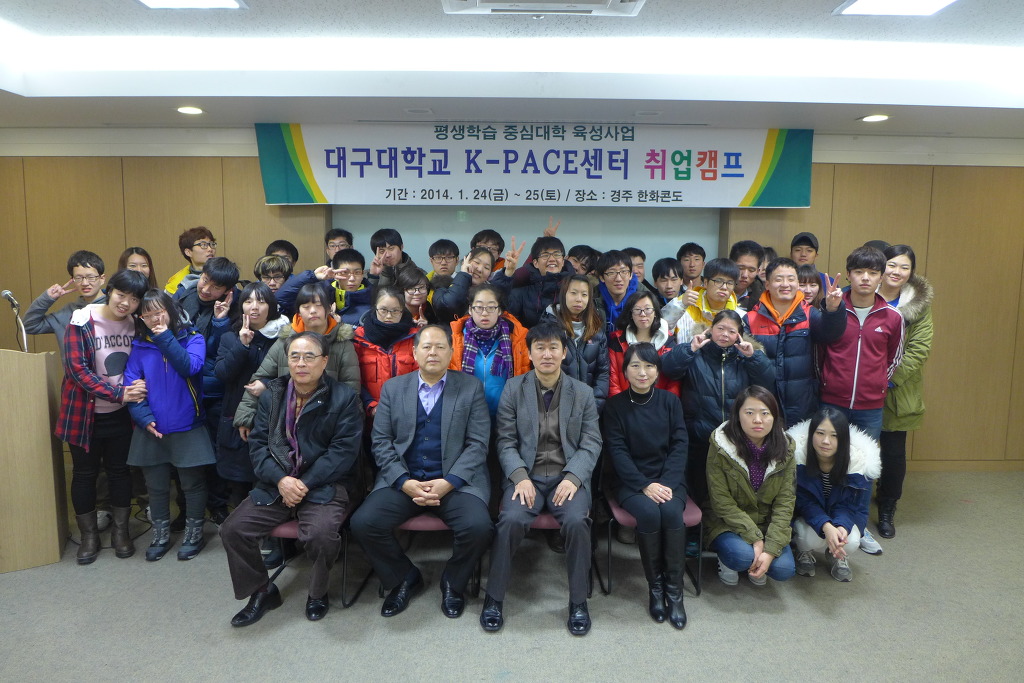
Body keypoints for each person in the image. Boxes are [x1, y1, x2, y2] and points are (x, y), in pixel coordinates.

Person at [350, 325, 494, 619]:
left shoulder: (470, 387)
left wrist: (449, 482)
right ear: (414, 352)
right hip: (405, 479)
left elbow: (478, 444)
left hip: (455, 482)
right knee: (364, 523)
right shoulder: (394, 388)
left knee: (480, 527)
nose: (433, 352)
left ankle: (453, 582)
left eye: (440, 347)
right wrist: (403, 482)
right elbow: (381, 441)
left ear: (451, 353)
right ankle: (404, 577)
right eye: (426, 347)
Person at [220, 331, 363, 626]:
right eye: (294, 357)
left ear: (324, 361)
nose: (301, 363)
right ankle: (262, 590)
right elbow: (258, 447)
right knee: (233, 529)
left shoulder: (344, 398)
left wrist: (304, 484)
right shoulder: (273, 395)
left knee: (320, 535)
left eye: (309, 357)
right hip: (278, 482)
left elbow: (342, 453)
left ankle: (317, 593)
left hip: (324, 483)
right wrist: (282, 481)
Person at [480, 322, 602, 636]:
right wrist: (519, 477)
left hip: (567, 477)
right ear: (530, 353)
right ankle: (494, 598)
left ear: (564, 353)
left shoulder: (583, 393)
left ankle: (578, 602)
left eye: (553, 348)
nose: (547, 354)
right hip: (527, 477)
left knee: (577, 523)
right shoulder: (513, 389)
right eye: (540, 348)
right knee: (509, 521)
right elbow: (505, 441)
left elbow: (591, 443)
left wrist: (573, 478)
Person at [55, 269, 149, 564]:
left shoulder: (136, 323)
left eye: (134, 299)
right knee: (84, 474)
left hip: (121, 415)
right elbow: (77, 370)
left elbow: (143, 361)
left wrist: (138, 387)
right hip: (83, 413)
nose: (126, 303)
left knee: (120, 471)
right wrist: (118, 393)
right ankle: (89, 536)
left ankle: (121, 531)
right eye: (121, 295)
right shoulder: (82, 319)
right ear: (109, 290)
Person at [818, 246, 905, 557]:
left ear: (881, 277)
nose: (865, 278)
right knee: (826, 463)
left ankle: (859, 526)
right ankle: (825, 524)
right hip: (832, 401)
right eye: (859, 272)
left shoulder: (892, 316)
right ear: (849, 274)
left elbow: (894, 358)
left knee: (864, 467)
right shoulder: (833, 307)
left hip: (870, 406)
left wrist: (878, 383)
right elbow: (819, 352)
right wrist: (827, 381)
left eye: (872, 272)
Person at [124, 289, 215, 562]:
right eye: (147, 315)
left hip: (187, 425)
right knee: (156, 486)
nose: (154, 319)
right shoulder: (139, 347)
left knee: (192, 484)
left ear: (171, 311)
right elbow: (132, 388)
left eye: (159, 312)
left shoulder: (193, 339)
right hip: (151, 429)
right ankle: (161, 535)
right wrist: (144, 419)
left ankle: (194, 534)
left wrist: (165, 337)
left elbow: (190, 367)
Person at [603, 343, 689, 628]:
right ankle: (655, 589)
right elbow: (617, 452)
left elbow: (680, 445)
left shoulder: (670, 402)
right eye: (635, 366)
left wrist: (666, 483)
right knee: (650, 513)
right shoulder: (614, 406)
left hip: (669, 479)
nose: (642, 372)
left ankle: (674, 592)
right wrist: (644, 485)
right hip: (631, 481)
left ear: (657, 370)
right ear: (625, 370)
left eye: (649, 366)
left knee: (672, 512)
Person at [661, 309, 774, 506]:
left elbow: (768, 382)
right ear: (711, 329)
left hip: (734, 438)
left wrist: (753, 357)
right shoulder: (696, 352)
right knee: (699, 489)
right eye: (720, 328)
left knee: (728, 493)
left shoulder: (745, 358)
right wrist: (690, 348)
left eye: (731, 331)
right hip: (698, 435)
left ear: (739, 335)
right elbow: (668, 368)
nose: (724, 335)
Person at [233, 283, 360, 437]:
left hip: (328, 420)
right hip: (287, 419)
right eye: (306, 306)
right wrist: (245, 416)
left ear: (329, 309)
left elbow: (351, 387)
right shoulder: (285, 341)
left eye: (318, 305)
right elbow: (260, 378)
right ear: (298, 311)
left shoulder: (342, 344)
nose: (312, 311)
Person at [705, 385, 797, 586]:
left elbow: (785, 502)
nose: (757, 420)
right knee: (741, 556)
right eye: (749, 413)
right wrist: (755, 539)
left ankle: (757, 560)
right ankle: (732, 559)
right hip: (727, 523)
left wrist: (770, 550)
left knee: (784, 569)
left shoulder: (786, 448)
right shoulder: (721, 446)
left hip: (766, 523)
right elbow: (721, 502)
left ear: (774, 417)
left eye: (765, 413)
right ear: (738, 416)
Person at [174, 256, 240, 525]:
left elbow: (224, 352)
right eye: (205, 280)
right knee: (184, 454)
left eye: (215, 287)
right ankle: (187, 509)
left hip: (214, 392)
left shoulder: (236, 309)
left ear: (227, 290)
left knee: (215, 452)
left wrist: (221, 321)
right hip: (182, 390)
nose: (206, 288)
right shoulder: (183, 299)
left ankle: (217, 504)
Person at [743, 257, 846, 427]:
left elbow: (831, 334)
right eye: (779, 279)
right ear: (767, 284)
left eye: (791, 279)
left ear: (797, 284)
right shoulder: (750, 319)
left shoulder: (809, 314)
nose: (785, 284)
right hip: (763, 404)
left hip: (802, 403)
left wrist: (833, 309)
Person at [213, 281, 290, 501]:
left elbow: (292, 374)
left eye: (261, 301)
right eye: (248, 301)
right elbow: (222, 373)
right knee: (238, 483)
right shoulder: (230, 337)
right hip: (237, 415)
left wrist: (266, 383)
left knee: (271, 480)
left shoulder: (283, 338)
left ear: (271, 306)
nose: (254, 307)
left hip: (274, 417)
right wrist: (242, 345)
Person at [877, 244, 934, 539]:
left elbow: (919, 348)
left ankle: (887, 508)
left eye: (904, 267)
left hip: (896, 391)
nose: (897, 271)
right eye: (892, 264)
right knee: (852, 448)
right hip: (857, 387)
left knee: (893, 454)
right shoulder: (863, 294)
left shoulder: (918, 305)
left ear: (911, 272)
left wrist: (889, 379)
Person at [789, 407, 880, 582]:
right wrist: (826, 526)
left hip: (843, 516)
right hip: (808, 516)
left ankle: (837, 554)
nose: (826, 441)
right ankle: (803, 551)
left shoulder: (859, 463)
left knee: (851, 540)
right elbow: (803, 503)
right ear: (811, 433)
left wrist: (841, 527)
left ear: (844, 438)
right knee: (809, 538)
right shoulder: (798, 458)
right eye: (820, 433)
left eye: (834, 435)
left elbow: (854, 507)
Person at [450, 283, 531, 417]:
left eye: (491, 307)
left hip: (506, 414)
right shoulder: (456, 339)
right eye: (479, 307)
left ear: (499, 310)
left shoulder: (517, 339)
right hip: (468, 415)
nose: (484, 313)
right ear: (470, 309)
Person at [541, 274, 609, 413]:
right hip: (555, 409)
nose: (579, 299)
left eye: (584, 295)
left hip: (589, 408)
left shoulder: (596, 330)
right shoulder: (548, 326)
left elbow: (602, 373)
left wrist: (593, 406)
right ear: (564, 294)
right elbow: (542, 371)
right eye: (573, 293)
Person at [353, 286, 419, 417]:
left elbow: (421, 377)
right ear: (375, 308)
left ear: (402, 311)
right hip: (368, 415)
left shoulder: (415, 338)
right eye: (383, 310)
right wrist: (371, 405)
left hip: (407, 413)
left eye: (395, 311)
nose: (389, 316)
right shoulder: (359, 338)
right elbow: (353, 379)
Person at [25, 250, 107, 352]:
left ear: (102, 279)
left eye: (90, 277)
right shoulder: (67, 312)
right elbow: (29, 326)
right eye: (78, 278)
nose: (85, 283)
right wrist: (47, 298)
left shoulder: (114, 308)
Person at [607, 291, 680, 398]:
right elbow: (613, 381)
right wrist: (620, 404)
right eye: (637, 310)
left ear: (655, 312)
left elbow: (674, 381)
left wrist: (665, 404)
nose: (643, 314)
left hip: (660, 404)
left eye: (648, 309)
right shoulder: (617, 341)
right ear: (630, 314)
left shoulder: (668, 343)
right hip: (623, 403)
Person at [275, 247, 373, 324]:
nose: (351, 278)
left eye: (357, 272)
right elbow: (281, 298)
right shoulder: (320, 290)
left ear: (362, 274)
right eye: (345, 273)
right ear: (336, 272)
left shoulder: (373, 297)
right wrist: (313, 276)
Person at [661, 257, 740, 344]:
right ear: (705, 283)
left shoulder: (739, 315)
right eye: (718, 281)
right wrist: (681, 305)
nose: (724, 287)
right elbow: (660, 329)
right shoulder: (684, 304)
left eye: (730, 283)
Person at [507, 236, 573, 328]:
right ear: (535, 263)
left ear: (563, 261)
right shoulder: (520, 294)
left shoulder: (573, 292)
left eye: (557, 254)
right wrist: (507, 274)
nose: (552, 259)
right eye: (545, 255)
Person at [594, 250, 640, 335]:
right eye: (611, 273)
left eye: (624, 272)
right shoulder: (592, 298)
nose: (618, 279)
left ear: (630, 275)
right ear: (602, 277)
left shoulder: (643, 297)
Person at [165, 226, 217, 293]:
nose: (210, 249)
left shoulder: (225, 274)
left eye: (212, 244)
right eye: (203, 245)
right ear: (188, 252)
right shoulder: (176, 283)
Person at [729, 240, 766, 311]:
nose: (745, 275)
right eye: (740, 268)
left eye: (751, 270)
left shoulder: (762, 295)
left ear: (758, 271)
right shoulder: (716, 287)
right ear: (730, 265)